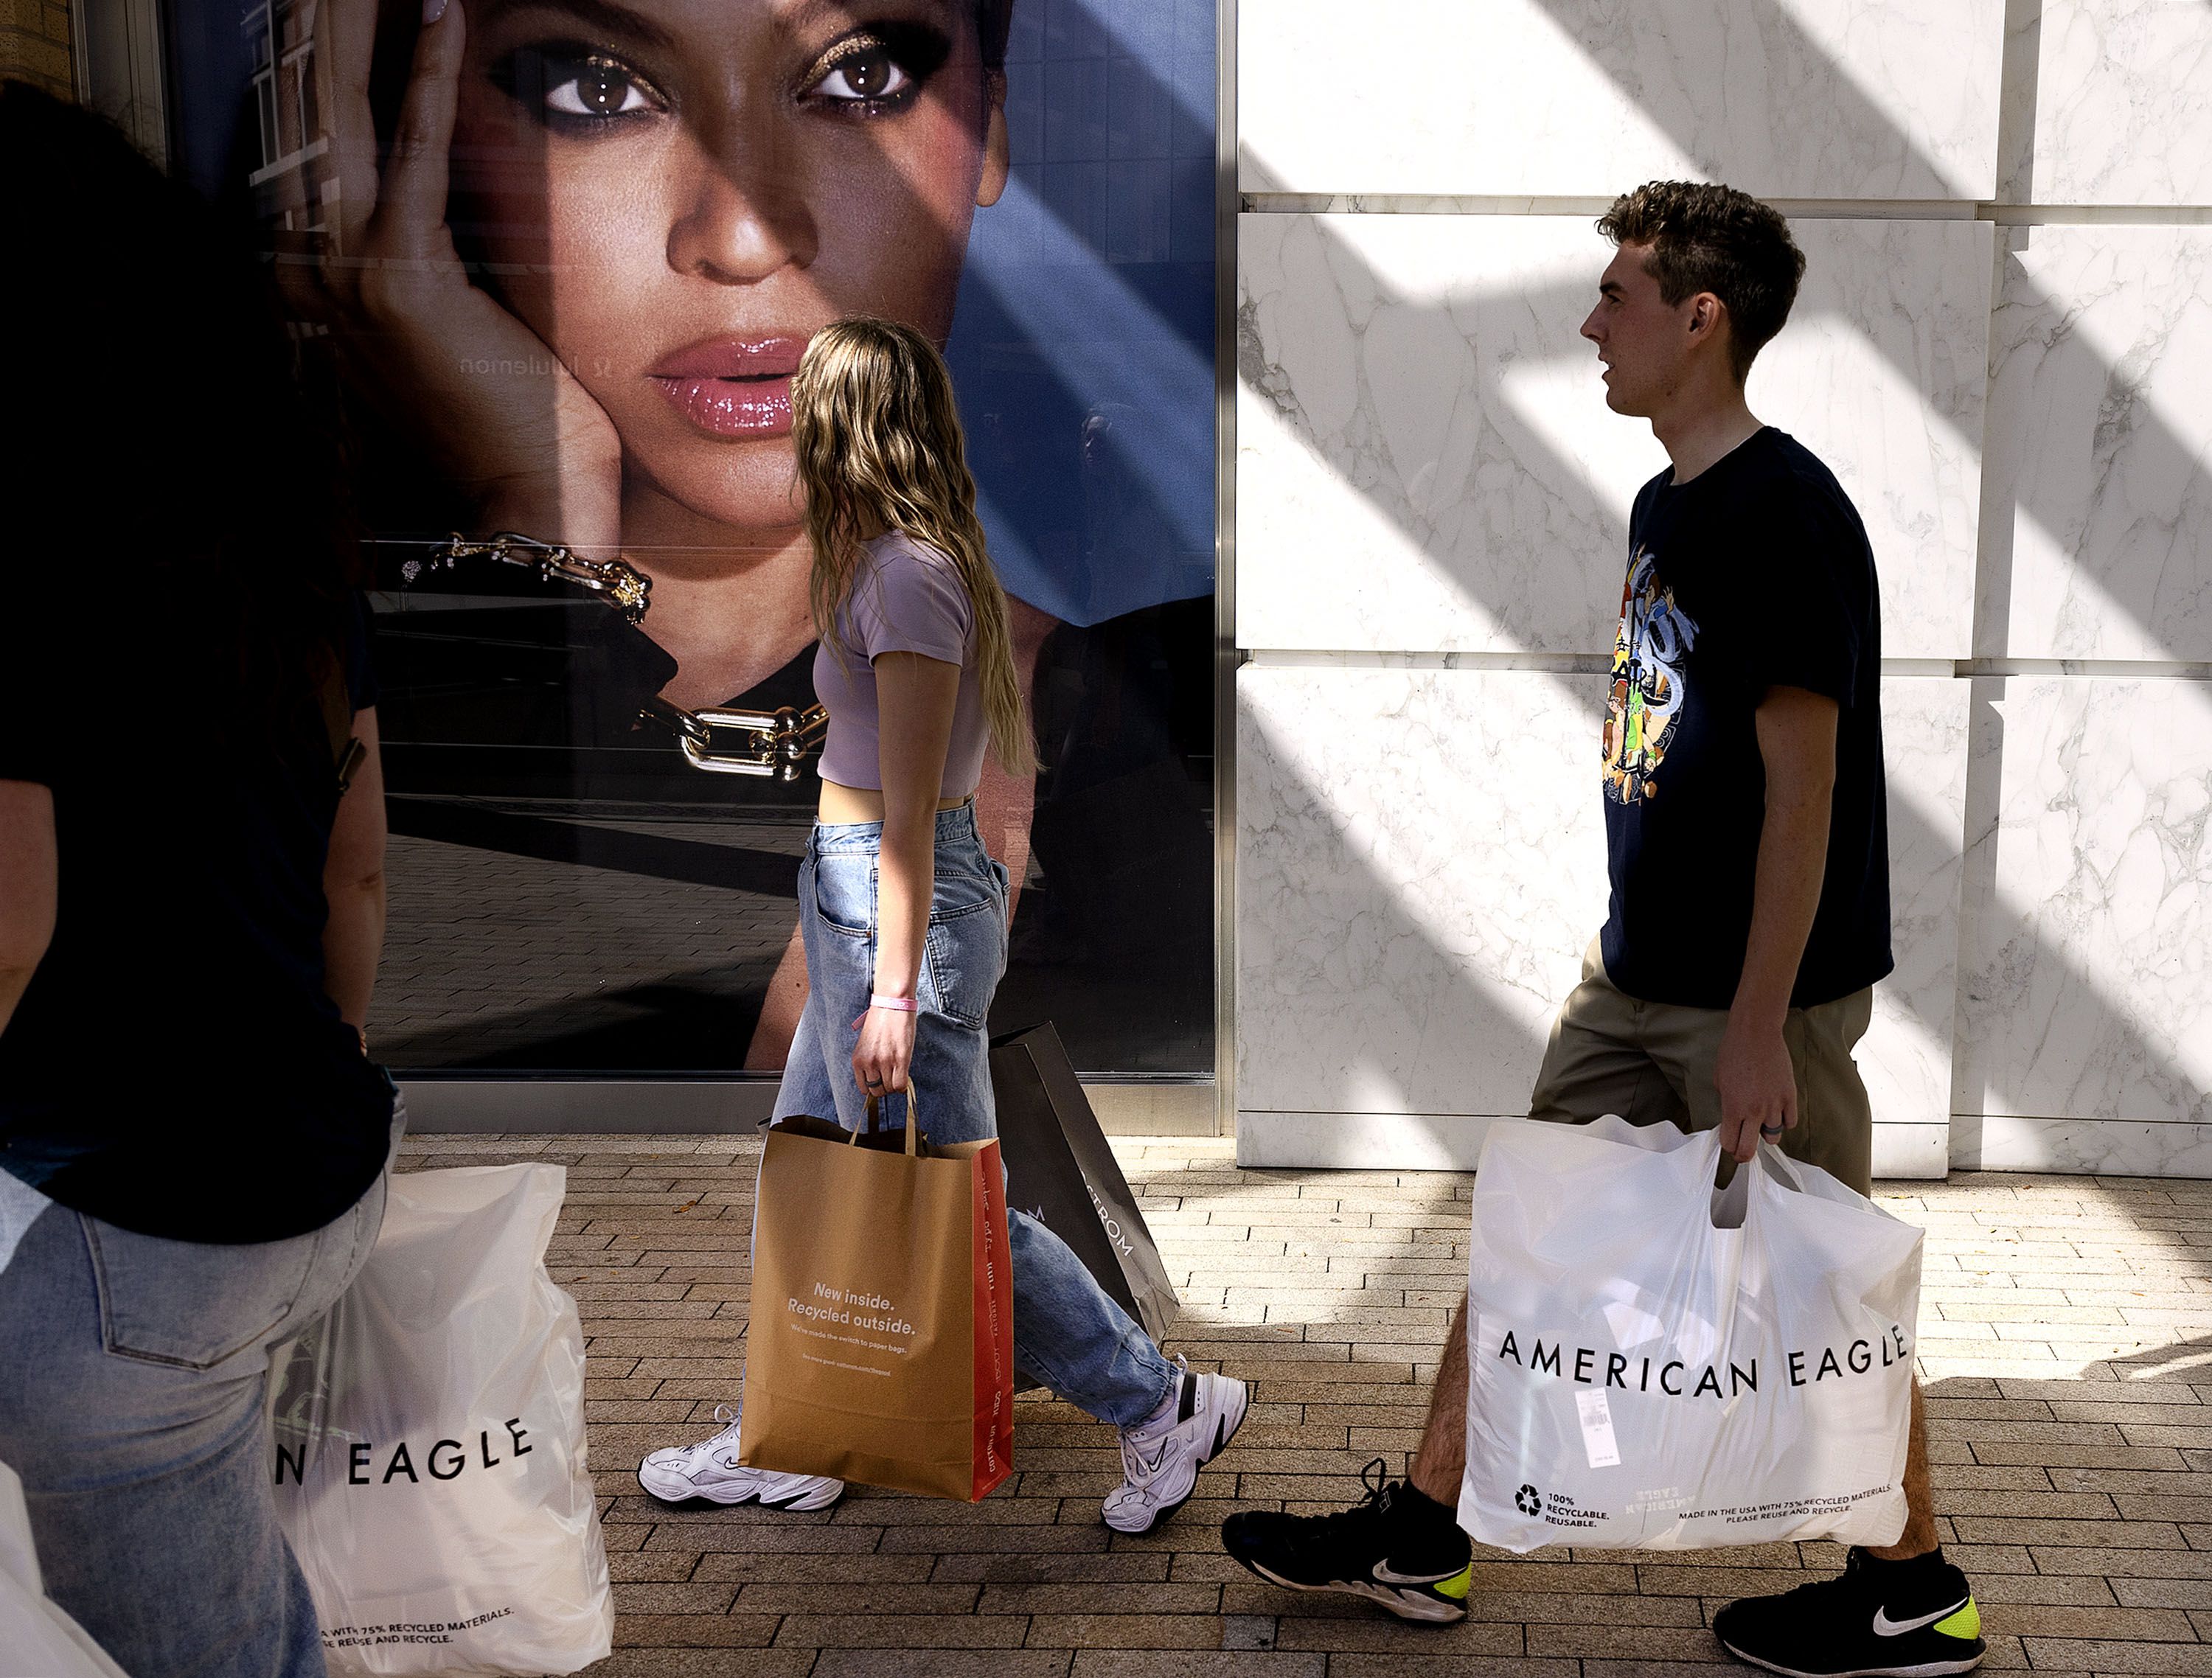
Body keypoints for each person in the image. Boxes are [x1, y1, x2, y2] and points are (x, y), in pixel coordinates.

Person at [1220, 183, 1986, 1678]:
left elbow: (1804, 796)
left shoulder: (1786, 512)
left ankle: (1917, 1588)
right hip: (1633, 979)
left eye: (1619, 295)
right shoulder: (1666, 503)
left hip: (1748, 1004)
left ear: (1702, 318)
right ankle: (1424, 1539)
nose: (1591, 324)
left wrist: (1760, 1022)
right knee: (1521, 1244)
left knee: (1818, 1280)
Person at [288, 0, 1052, 1067]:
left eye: (860, 79)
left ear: (988, 129)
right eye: (596, 91)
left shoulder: (1141, 738)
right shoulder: (300, 658)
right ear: (416, 157)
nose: (744, 237)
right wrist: (538, 500)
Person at [633, 318, 1244, 1531]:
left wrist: (895, 994)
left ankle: (1157, 1404)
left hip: (891, 905)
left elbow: (913, 814)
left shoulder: (908, 574)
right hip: (854, 894)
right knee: (814, 1174)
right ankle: (795, 1431)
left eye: (807, 403)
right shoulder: (881, 557)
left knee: (947, 1211)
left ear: (840, 423)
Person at [0, 83, 400, 1678]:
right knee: (228, 1599)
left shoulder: (20, 549)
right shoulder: (272, 515)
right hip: (308, 1169)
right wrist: (322, 1059)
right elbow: (355, 870)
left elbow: (5, 930)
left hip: (113, 1229)